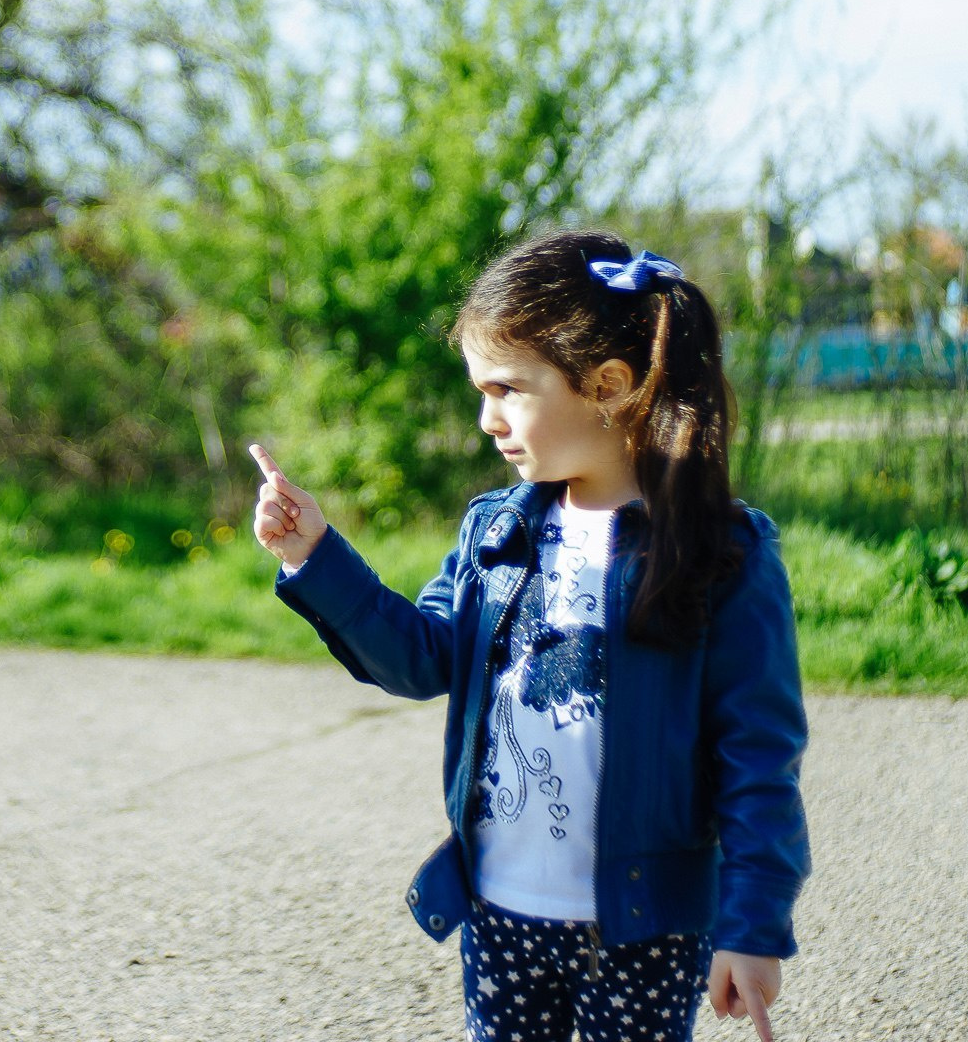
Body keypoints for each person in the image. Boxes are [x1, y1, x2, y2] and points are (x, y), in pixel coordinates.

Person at [252, 229, 809, 1042]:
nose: (487, 419)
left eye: (507, 389)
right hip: (500, 908)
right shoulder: (496, 532)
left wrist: (752, 927)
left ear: (608, 386)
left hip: (645, 928)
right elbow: (420, 658)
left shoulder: (722, 551)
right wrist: (316, 556)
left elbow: (758, 758)